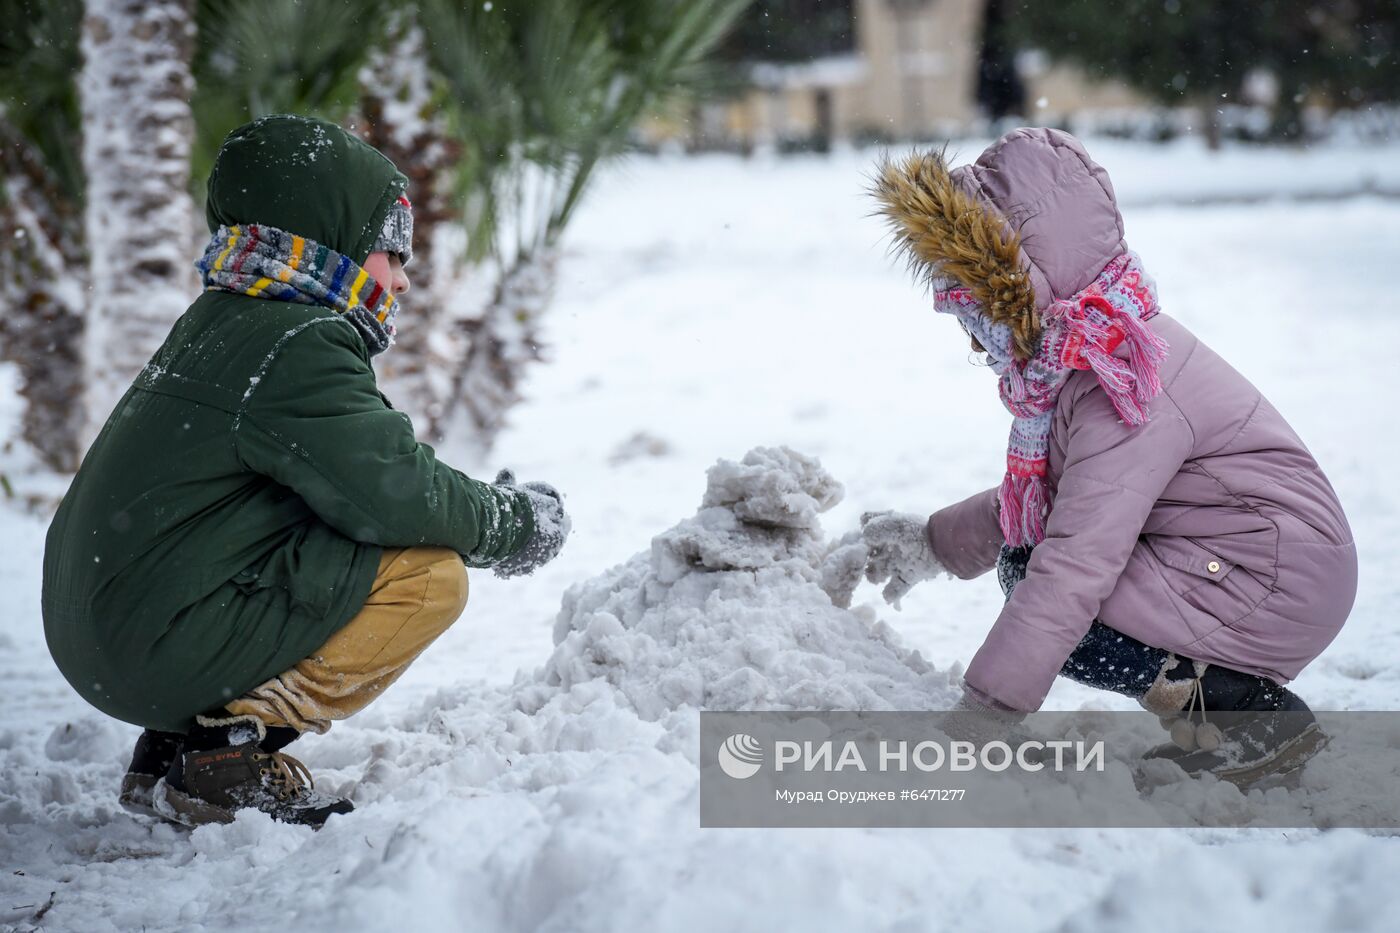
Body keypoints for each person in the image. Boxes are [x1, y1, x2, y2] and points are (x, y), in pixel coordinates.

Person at [41, 115, 569, 828]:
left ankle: (174, 746)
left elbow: (361, 474)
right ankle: (228, 753)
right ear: (341, 244)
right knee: (426, 575)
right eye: (392, 253)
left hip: (105, 630)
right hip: (150, 639)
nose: (404, 281)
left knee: (320, 519)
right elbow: (396, 494)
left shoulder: (227, 317)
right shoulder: (297, 341)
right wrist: (515, 521)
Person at [861, 127, 1357, 780]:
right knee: (1031, 564)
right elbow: (1053, 503)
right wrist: (934, 541)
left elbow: (1074, 556)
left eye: (978, 311)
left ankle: (1255, 724)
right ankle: (1217, 722)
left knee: (1048, 587)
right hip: (1244, 559)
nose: (976, 340)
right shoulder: (1092, 352)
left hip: (1268, 576)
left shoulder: (1121, 381)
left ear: (1029, 284)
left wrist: (982, 717)